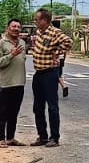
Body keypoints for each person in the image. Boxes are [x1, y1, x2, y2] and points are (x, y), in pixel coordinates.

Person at [27, 10, 72, 146]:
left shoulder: (54, 32)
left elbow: (68, 42)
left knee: (52, 106)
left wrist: (56, 52)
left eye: (37, 19)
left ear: (44, 20)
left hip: (50, 73)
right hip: (38, 73)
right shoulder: (39, 33)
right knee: (38, 107)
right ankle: (42, 136)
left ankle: (54, 137)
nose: (35, 22)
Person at [0, 20, 28, 146]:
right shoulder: (1, 43)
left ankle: (11, 138)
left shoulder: (22, 43)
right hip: (6, 83)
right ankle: (1, 138)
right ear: (8, 28)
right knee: (3, 112)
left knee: (14, 112)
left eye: (18, 27)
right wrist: (11, 55)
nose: (16, 29)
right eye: (13, 26)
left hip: (19, 83)